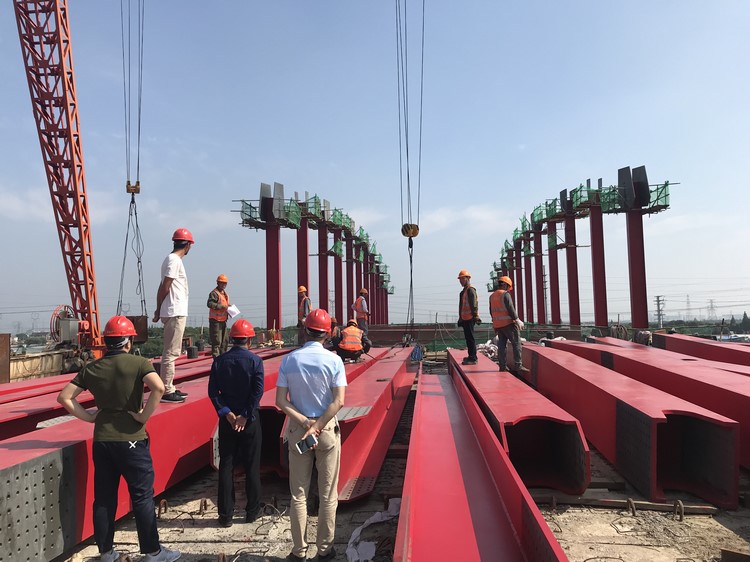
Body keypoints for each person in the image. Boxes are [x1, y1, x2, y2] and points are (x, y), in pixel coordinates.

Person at [56, 316, 181, 562]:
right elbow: (159, 388)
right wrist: (143, 416)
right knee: (142, 497)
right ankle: (152, 552)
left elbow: (65, 397)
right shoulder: (139, 363)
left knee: (104, 498)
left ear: (107, 341)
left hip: (102, 441)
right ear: (128, 341)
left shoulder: (92, 368)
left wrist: (89, 418)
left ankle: (106, 553)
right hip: (132, 439)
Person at [275, 309, 346, 562]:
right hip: (325, 430)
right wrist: (317, 426)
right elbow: (338, 401)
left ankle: (299, 551)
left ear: (305, 331)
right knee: (328, 495)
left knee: (299, 494)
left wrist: (306, 423)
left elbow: (281, 400)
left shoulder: (290, 360)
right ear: (328, 334)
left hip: (299, 430)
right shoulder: (334, 361)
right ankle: (324, 550)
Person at [208, 319, 265, 528]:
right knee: (252, 466)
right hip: (249, 422)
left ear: (232, 339)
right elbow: (257, 392)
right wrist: (245, 415)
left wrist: (228, 414)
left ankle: (225, 516)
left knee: (226, 466)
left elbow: (213, 392)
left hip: (228, 422)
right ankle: (252, 512)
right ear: (249, 340)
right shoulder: (255, 361)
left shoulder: (219, 361)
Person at [153, 227, 194, 403]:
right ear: (188, 245)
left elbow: (162, 286)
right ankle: (166, 390)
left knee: (171, 351)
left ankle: (169, 386)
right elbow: (165, 286)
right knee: (171, 352)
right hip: (175, 311)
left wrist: (158, 309)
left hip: (172, 310)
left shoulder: (171, 260)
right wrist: (159, 308)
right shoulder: (174, 260)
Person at [489, 276, 525, 372]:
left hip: (498, 325)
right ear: (505, 285)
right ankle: (518, 365)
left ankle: (502, 366)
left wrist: (495, 323)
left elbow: (491, 312)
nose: (508, 289)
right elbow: (510, 308)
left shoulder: (492, 296)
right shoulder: (505, 294)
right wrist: (517, 319)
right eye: (508, 287)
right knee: (516, 343)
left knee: (501, 345)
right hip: (509, 324)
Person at [457, 269, 481, 365]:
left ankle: (473, 358)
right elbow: (461, 306)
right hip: (465, 318)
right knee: (468, 338)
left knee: (470, 338)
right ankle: (471, 355)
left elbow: (474, 304)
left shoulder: (471, 290)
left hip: (470, 318)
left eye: (462, 279)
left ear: (468, 278)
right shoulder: (463, 292)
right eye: (460, 279)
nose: (461, 281)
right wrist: (460, 318)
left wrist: (475, 316)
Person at [207, 274, 231, 357]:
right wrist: (222, 306)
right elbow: (210, 304)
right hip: (215, 321)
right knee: (217, 341)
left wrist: (228, 307)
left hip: (223, 320)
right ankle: (217, 360)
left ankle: (223, 358)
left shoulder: (224, 294)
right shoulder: (214, 293)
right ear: (218, 283)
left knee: (225, 341)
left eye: (225, 283)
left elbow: (224, 304)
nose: (223, 285)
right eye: (222, 283)